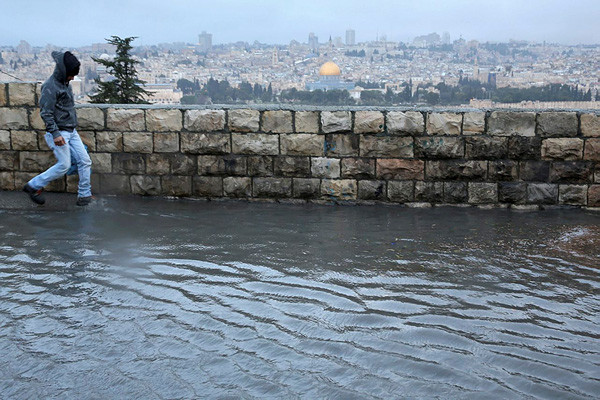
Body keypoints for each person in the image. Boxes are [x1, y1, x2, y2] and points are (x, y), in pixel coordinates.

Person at [23, 51, 93, 206]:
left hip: (71, 131)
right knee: (64, 165)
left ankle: (84, 195)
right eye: (71, 75)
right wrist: (55, 134)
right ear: (63, 72)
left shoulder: (64, 83)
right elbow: (45, 112)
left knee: (85, 161)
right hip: (59, 133)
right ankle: (33, 186)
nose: (73, 78)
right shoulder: (50, 86)